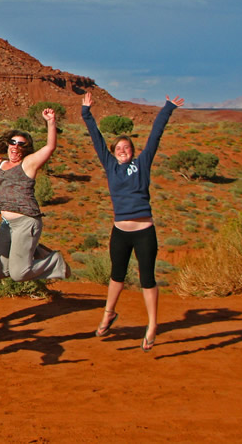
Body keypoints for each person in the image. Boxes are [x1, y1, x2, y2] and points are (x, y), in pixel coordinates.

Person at [82, 91, 183, 351]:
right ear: (114, 153)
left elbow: (155, 137)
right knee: (117, 275)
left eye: (126, 147)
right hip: (120, 232)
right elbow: (96, 139)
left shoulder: (142, 164)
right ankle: (108, 313)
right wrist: (86, 113)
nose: (122, 150)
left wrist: (167, 108)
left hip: (144, 231)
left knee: (147, 279)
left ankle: (152, 326)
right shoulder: (111, 166)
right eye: (118, 148)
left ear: (133, 151)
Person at [0, 109, 70, 283]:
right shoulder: (1, 164)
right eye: (13, 142)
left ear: (26, 149)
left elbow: (50, 147)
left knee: (19, 274)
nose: (15, 146)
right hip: (7, 225)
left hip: (26, 221)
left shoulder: (28, 164)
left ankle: (56, 262)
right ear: (8, 144)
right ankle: (34, 250)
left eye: (21, 144)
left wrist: (51, 122)